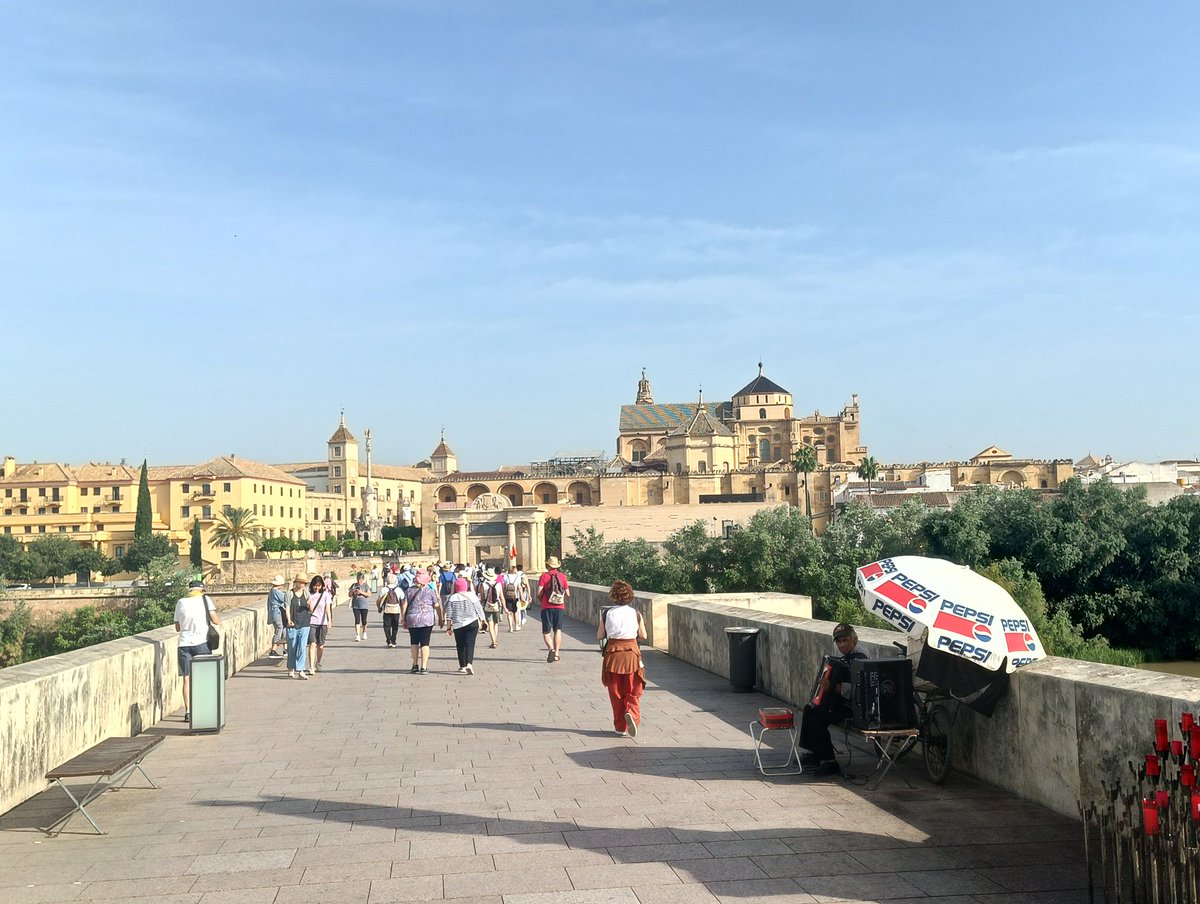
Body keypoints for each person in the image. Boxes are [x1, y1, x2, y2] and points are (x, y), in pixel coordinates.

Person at [798, 622, 868, 776]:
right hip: (843, 703)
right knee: (810, 708)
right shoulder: (845, 658)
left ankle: (829, 761)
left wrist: (831, 687)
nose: (841, 645)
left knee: (818, 715)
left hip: (856, 708)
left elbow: (858, 691)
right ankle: (816, 752)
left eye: (845, 641)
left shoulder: (861, 660)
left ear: (854, 640)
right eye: (839, 641)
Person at [596, 580, 646, 738]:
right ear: (629, 595)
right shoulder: (635, 613)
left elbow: (600, 636)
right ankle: (631, 712)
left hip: (613, 655)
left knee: (615, 692)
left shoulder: (607, 614)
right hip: (631, 654)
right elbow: (644, 636)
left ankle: (620, 726)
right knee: (632, 690)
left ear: (613, 596)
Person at [174, 579, 220, 722]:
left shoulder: (180, 602)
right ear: (202, 590)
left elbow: (177, 627)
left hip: (183, 644)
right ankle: (203, 708)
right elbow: (216, 620)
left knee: (186, 679)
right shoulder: (205, 600)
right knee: (204, 677)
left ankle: (188, 711)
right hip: (201, 643)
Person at [401, 568, 443, 674]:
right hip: (427, 619)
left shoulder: (409, 590)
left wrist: (403, 618)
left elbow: (404, 605)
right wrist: (441, 618)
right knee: (425, 642)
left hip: (412, 618)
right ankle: (424, 666)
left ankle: (415, 664)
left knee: (414, 641)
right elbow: (437, 605)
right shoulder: (430, 590)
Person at [443, 577, 486, 675]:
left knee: (460, 645)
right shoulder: (472, 596)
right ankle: (469, 664)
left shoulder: (453, 598)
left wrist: (448, 627)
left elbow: (449, 613)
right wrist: (483, 620)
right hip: (472, 622)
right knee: (470, 644)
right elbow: (479, 608)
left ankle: (462, 666)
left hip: (458, 624)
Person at [537, 556, 570, 663]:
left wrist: (542, 598)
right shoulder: (563, 576)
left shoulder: (544, 576)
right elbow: (568, 594)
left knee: (546, 632)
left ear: (548, 565)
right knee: (558, 630)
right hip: (559, 607)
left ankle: (551, 649)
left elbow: (539, 592)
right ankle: (556, 654)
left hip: (546, 606)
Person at [284, 574, 311, 679]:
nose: (303, 584)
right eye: (301, 582)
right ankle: (291, 668)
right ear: (297, 583)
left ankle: (300, 670)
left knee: (302, 648)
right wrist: (289, 620)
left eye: (304, 583)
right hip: (293, 625)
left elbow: (311, 609)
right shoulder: (289, 594)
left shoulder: (307, 594)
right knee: (292, 647)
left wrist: (310, 604)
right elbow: (287, 608)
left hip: (305, 624)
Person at [306, 574, 334, 674]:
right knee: (312, 644)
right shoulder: (309, 595)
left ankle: (318, 662)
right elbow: (311, 610)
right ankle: (311, 666)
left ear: (322, 585)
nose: (317, 587)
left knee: (320, 645)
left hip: (322, 623)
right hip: (312, 622)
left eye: (318, 585)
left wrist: (329, 620)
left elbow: (327, 608)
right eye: (315, 585)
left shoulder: (326, 595)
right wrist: (310, 604)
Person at [477, 566, 502, 649]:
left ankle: (493, 641)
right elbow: (502, 597)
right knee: (496, 623)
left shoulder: (483, 585)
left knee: (490, 623)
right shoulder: (498, 584)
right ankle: (495, 639)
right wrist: (505, 607)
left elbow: (482, 597)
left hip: (487, 604)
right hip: (497, 605)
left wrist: (479, 607)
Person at [377, 572, 403, 648]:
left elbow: (379, 600)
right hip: (396, 610)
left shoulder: (384, 589)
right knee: (395, 626)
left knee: (386, 626)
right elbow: (403, 601)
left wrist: (379, 608)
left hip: (387, 610)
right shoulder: (399, 590)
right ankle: (393, 640)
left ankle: (388, 640)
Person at [266, 574, 287, 658]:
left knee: (284, 630)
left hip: (275, 613)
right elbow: (285, 598)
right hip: (277, 613)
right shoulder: (276, 592)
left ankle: (285, 649)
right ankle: (273, 650)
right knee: (280, 629)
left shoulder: (272, 591)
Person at [501, 564, 525, 633]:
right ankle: (516, 626)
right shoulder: (517, 577)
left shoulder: (505, 576)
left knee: (509, 612)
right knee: (515, 611)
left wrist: (502, 595)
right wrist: (522, 597)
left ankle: (510, 627)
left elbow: (504, 587)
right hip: (515, 596)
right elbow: (519, 588)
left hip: (507, 596)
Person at [349, 571, 372, 641]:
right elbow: (349, 595)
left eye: (361, 579)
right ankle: (357, 635)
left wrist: (361, 592)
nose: (359, 581)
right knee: (357, 620)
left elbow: (369, 594)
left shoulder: (365, 586)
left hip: (364, 605)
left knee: (364, 620)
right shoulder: (353, 585)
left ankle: (364, 632)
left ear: (363, 579)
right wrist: (353, 591)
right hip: (356, 605)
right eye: (358, 579)